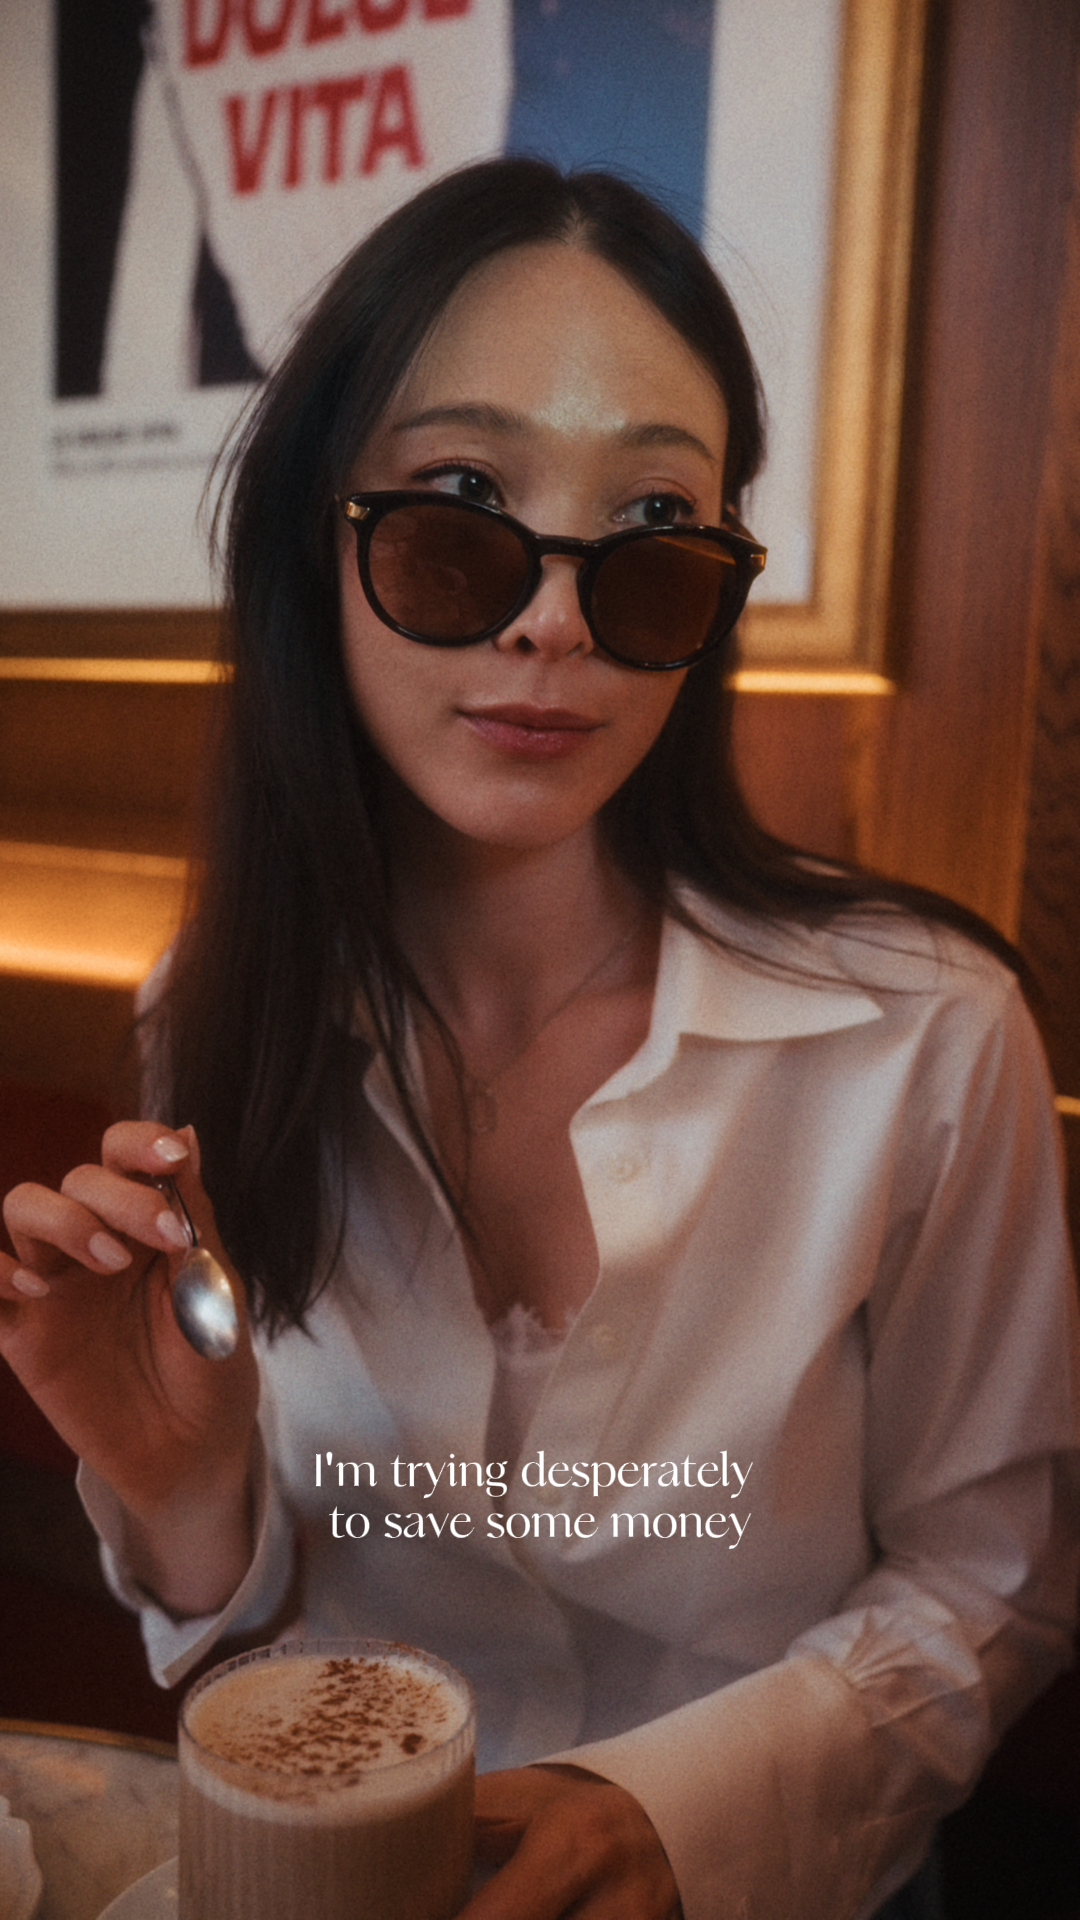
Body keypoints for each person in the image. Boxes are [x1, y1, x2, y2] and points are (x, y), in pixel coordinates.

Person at [2, 159, 1077, 1920]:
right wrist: (185, 1489)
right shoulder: (213, 1006)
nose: (554, 620)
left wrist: (668, 1816)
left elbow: (1000, 1578)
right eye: (460, 501)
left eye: (651, 535)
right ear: (316, 537)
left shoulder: (925, 1033)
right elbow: (251, 1633)